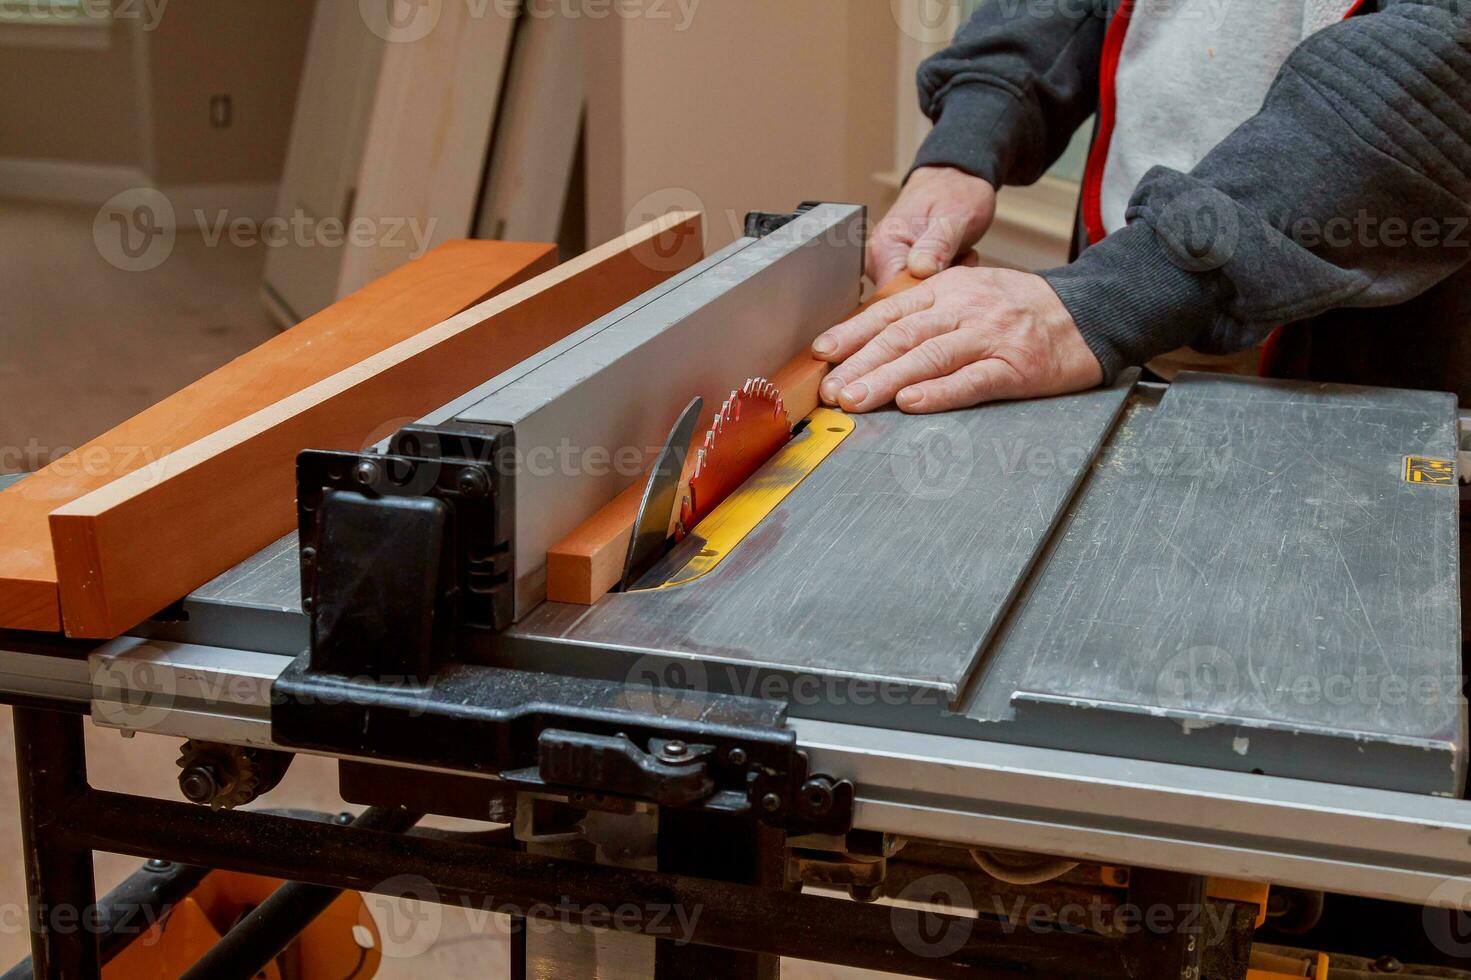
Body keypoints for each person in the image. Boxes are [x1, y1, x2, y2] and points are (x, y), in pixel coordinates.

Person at [813, 0, 1471, 413]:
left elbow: (1433, 71)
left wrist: (1127, 288)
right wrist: (969, 138)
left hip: (1354, 351)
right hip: (1114, 306)